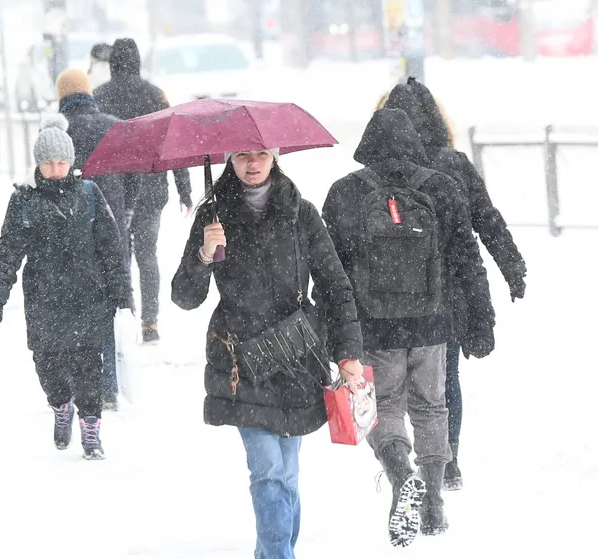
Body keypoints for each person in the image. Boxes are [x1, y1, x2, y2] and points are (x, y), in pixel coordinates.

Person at [171, 149, 365, 559]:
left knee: (289, 477)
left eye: (261, 154)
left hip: (296, 359)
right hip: (241, 362)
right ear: (231, 160)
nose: (252, 163)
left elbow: (335, 286)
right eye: (242, 155)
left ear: (274, 157)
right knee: (268, 472)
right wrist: (204, 254)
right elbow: (184, 296)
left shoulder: (302, 214)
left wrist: (348, 354)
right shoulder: (214, 217)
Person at [322, 108, 495, 546]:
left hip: (376, 327)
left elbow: (330, 271)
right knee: (431, 406)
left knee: (385, 407)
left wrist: (332, 329)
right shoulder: (441, 187)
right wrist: (480, 316)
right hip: (433, 324)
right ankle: (433, 498)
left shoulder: (345, 193)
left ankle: (401, 475)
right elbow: (467, 258)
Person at [379, 78, 527, 491]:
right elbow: (487, 219)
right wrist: (512, 265)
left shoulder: (376, 173)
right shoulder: (454, 164)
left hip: (391, 294)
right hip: (449, 293)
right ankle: (449, 457)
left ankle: (405, 453)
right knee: (444, 381)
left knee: (397, 381)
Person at [0, 115, 130, 460]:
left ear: (71, 162)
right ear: (38, 163)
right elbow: (9, 251)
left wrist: (120, 291)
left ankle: (91, 429)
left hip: (87, 295)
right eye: (49, 163)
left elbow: (111, 246)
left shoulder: (90, 194)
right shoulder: (23, 200)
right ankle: (61, 406)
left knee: (87, 366)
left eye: (62, 162)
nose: (56, 169)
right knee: (47, 364)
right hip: (43, 297)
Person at [95, 38, 193, 343]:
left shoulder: (100, 96)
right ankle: (150, 322)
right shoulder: (154, 95)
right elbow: (173, 143)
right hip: (151, 188)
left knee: (119, 253)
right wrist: (184, 190)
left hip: (113, 189)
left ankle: (126, 310)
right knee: (147, 255)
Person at [56, 67, 132, 411]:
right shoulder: (114, 126)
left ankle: (75, 384)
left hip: (69, 231)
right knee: (107, 308)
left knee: (71, 310)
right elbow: (134, 177)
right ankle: (109, 386)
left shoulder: (58, 132)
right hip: (112, 228)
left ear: (61, 97)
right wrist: (123, 207)